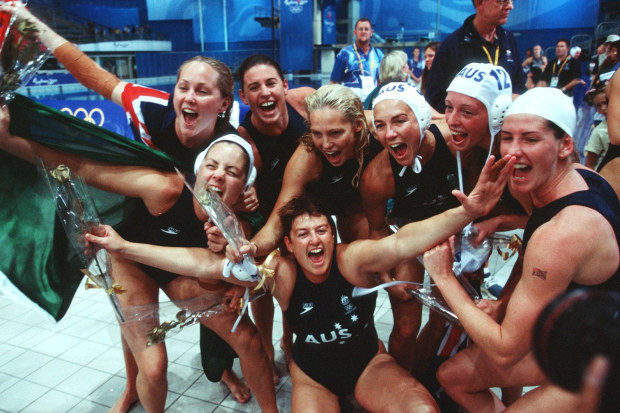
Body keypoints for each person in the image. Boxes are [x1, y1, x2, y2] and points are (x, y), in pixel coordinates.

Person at [86, 154, 517, 412]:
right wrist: (126, 248)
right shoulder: (282, 272)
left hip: (369, 364)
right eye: (304, 234)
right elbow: (200, 263)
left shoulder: (351, 259)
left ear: (333, 235)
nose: (316, 240)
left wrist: (468, 211)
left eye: (322, 230)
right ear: (289, 245)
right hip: (312, 376)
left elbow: (404, 242)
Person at [0, 2, 261, 402]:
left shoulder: (231, 152)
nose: (188, 97)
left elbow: (243, 224)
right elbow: (96, 78)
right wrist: (39, 30)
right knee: (140, 339)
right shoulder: (152, 109)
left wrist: (241, 272)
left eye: (202, 91)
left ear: (223, 103)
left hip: (183, 250)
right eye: (183, 87)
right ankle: (130, 387)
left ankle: (221, 370)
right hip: (135, 229)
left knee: (227, 319)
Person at [0, 124, 280, 412]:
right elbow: (80, 166)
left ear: (246, 186)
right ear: (198, 170)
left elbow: (234, 275)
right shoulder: (164, 187)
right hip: (130, 262)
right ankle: (132, 390)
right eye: (212, 165)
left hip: (179, 272)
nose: (219, 174)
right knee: (154, 369)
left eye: (232, 172)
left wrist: (231, 268)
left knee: (248, 339)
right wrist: (9, 139)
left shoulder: (237, 225)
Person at [423, 87, 619, 412]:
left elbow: (505, 349)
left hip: (602, 356)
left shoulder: (561, 234)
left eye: (530, 139)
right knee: (453, 376)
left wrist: (443, 276)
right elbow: (536, 236)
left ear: (565, 144)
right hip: (577, 331)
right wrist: (500, 221)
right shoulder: (581, 177)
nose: (513, 152)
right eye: (508, 138)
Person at [360, 63, 518, 374]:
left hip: (455, 234)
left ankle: (423, 378)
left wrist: (477, 234)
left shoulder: (456, 143)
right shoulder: (377, 176)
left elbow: (479, 196)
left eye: (400, 121)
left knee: (442, 317)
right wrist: (386, 278)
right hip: (409, 235)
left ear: (420, 119)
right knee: (406, 326)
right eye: (380, 125)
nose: (389, 134)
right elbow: (378, 230)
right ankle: (401, 387)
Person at [238, 84, 383, 262]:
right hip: (315, 212)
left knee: (368, 253)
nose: (326, 144)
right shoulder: (306, 159)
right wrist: (251, 248)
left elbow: (424, 123)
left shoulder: (380, 129)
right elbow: (275, 226)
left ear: (358, 125)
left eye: (335, 133)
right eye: (317, 133)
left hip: (356, 208)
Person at [235, 53, 315, 374]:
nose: (265, 92)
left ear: (285, 85)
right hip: (270, 211)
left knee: (296, 275)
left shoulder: (305, 102)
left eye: (271, 83)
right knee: (262, 283)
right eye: (254, 88)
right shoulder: (246, 141)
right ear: (243, 97)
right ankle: (267, 345)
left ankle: (289, 339)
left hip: (306, 202)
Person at [424, 0, 526, 112]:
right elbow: (435, 98)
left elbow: (519, 85)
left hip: (506, 122)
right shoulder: (452, 46)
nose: (510, 6)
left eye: (511, 1)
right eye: (502, 1)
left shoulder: (508, 39)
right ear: (479, 3)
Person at [330, 18, 384, 102]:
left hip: (371, 103)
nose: (363, 31)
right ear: (355, 32)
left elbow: (381, 82)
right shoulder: (345, 54)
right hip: (350, 104)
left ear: (371, 33)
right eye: (360, 29)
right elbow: (334, 82)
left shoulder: (378, 55)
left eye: (366, 29)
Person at [584, 85, 609, 170]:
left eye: (605, 102)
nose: (603, 108)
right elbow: (589, 164)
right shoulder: (599, 131)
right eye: (598, 105)